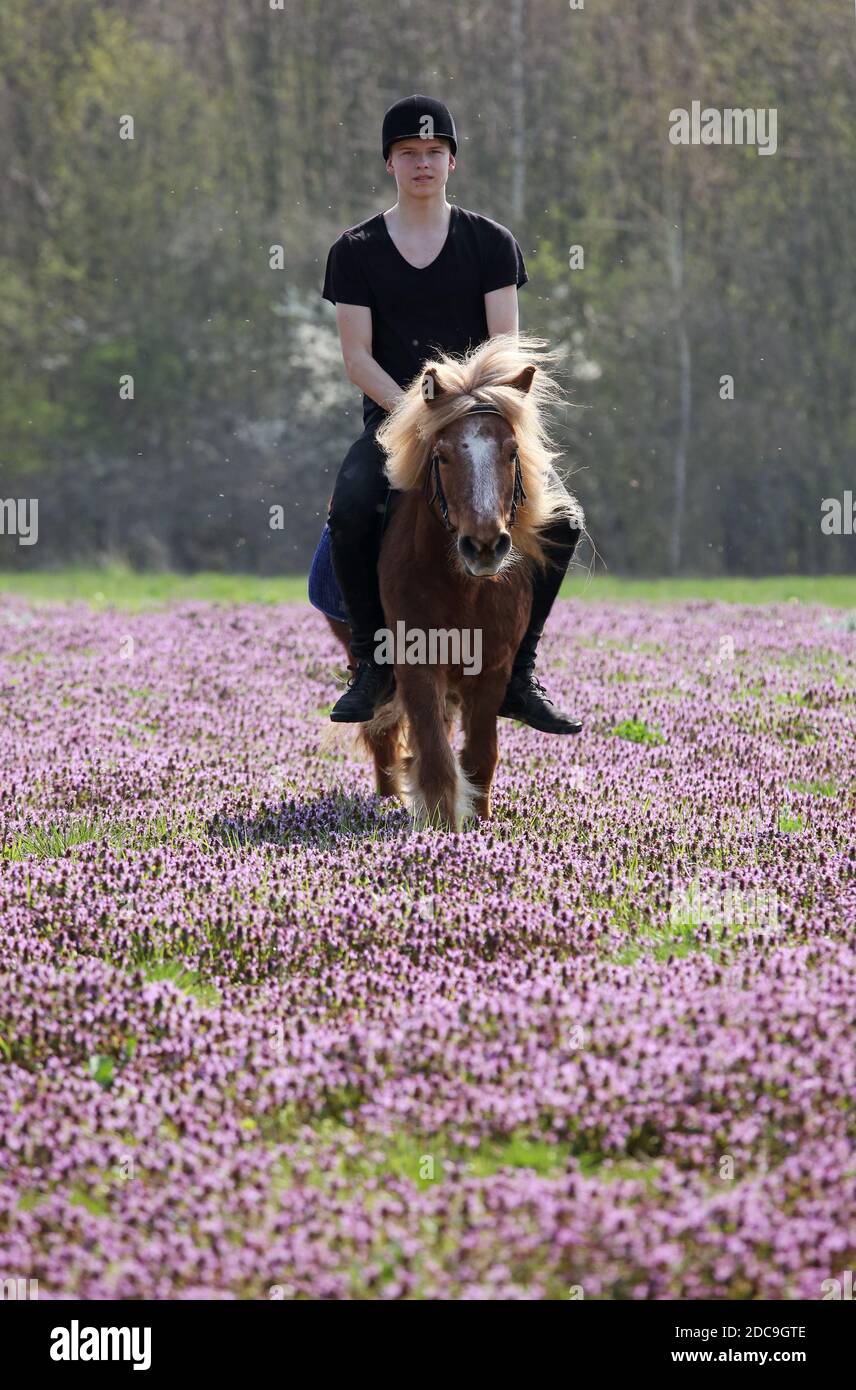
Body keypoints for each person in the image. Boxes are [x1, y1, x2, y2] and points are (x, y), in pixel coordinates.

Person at [321, 93, 581, 733]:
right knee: (353, 506)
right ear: (390, 162)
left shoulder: (491, 243)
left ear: (452, 162)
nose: (422, 164)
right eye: (409, 153)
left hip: (484, 420)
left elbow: (502, 347)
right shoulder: (354, 251)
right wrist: (419, 417)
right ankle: (372, 667)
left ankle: (518, 669)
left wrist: (467, 413)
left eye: (434, 153)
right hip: (392, 422)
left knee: (565, 522)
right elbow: (357, 358)